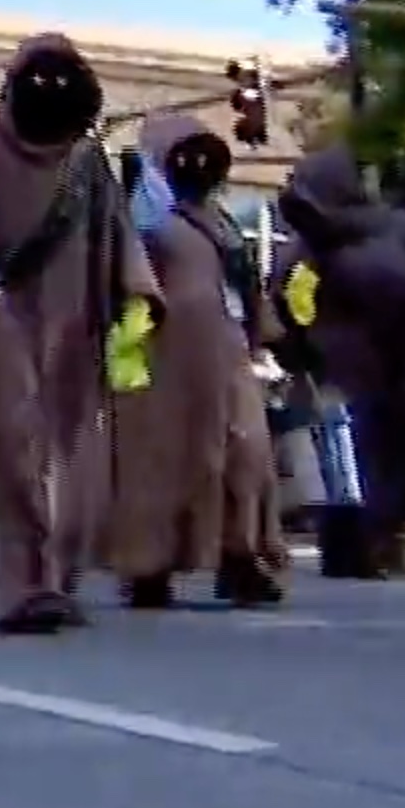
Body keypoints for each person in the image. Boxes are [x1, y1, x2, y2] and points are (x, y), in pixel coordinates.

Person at [0, 33, 158, 636]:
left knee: (72, 458)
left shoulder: (87, 164)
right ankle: (21, 585)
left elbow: (119, 237)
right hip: (3, 322)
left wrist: (136, 302)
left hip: (76, 327)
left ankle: (57, 577)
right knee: (15, 451)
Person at [111, 117, 292, 610]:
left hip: (227, 354)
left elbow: (246, 289)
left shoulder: (222, 221)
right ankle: (151, 566)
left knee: (242, 453)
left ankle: (238, 557)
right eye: (184, 156)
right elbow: (121, 280)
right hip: (165, 358)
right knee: (165, 458)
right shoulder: (146, 219)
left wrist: (262, 335)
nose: (197, 166)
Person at [273, 148, 405, 580]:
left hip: (397, 369)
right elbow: (285, 303)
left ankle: (381, 539)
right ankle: (363, 542)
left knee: (381, 459)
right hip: (356, 372)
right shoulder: (318, 244)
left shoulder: (387, 233)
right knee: (355, 460)